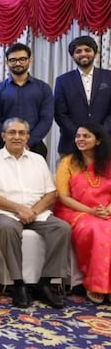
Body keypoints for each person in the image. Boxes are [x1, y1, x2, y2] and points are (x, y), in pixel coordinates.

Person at [0, 117, 70, 309]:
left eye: (21, 133)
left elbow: (51, 194)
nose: (16, 137)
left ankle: (44, 283)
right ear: (3, 136)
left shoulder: (38, 160)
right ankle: (19, 285)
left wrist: (32, 211)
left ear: (27, 137)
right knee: (9, 228)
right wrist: (19, 209)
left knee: (62, 228)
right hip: (1, 213)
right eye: (12, 132)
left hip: (36, 213)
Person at [54, 124, 111, 304]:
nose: (80, 139)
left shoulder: (108, 163)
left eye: (86, 136)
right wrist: (91, 211)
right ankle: (96, 285)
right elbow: (63, 196)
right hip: (74, 211)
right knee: (97, 229)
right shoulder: (68, 162)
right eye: (78, 136)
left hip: (105, 211)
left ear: (98, 140)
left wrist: (108, 210)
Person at [0, 43, 53, 158]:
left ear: (30, 61)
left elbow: (46, 119)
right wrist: (10, 141)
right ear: (6, 62)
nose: (17, 63)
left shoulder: (43, 88)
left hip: (35, 147)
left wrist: (28, 142)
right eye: (13, 60)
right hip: (5, 147)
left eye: (22, 59)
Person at [54, 35, 111, 155]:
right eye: (78, 51)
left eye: (87, 50)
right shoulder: (62, 81)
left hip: (104, 143)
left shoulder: (108, 77)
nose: (83, 54)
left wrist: (98, 134)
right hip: (71, 144)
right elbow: (60, 113)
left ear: (95, 53)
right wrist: (80, 135)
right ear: (72, 56)